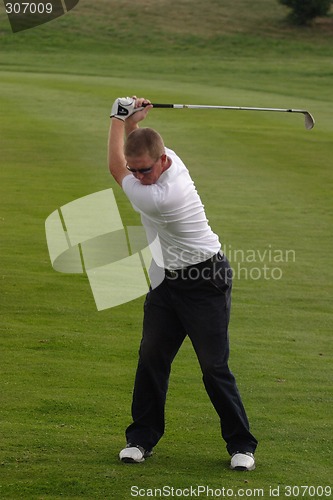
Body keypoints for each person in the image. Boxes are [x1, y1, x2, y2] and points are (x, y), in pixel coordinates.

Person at [108, 96, 258, 471]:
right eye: (135, 171)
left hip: (204, 279)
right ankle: (141, 439)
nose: (139, 177)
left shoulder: (163, 196)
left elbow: (115, 167)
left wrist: (116, 117)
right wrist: (133, 122)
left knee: (213, 367)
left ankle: (242, 445)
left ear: (163, 162)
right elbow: (135, 150)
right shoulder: (164, 156)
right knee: (151, 357)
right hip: (165, 281)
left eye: (143, 171)